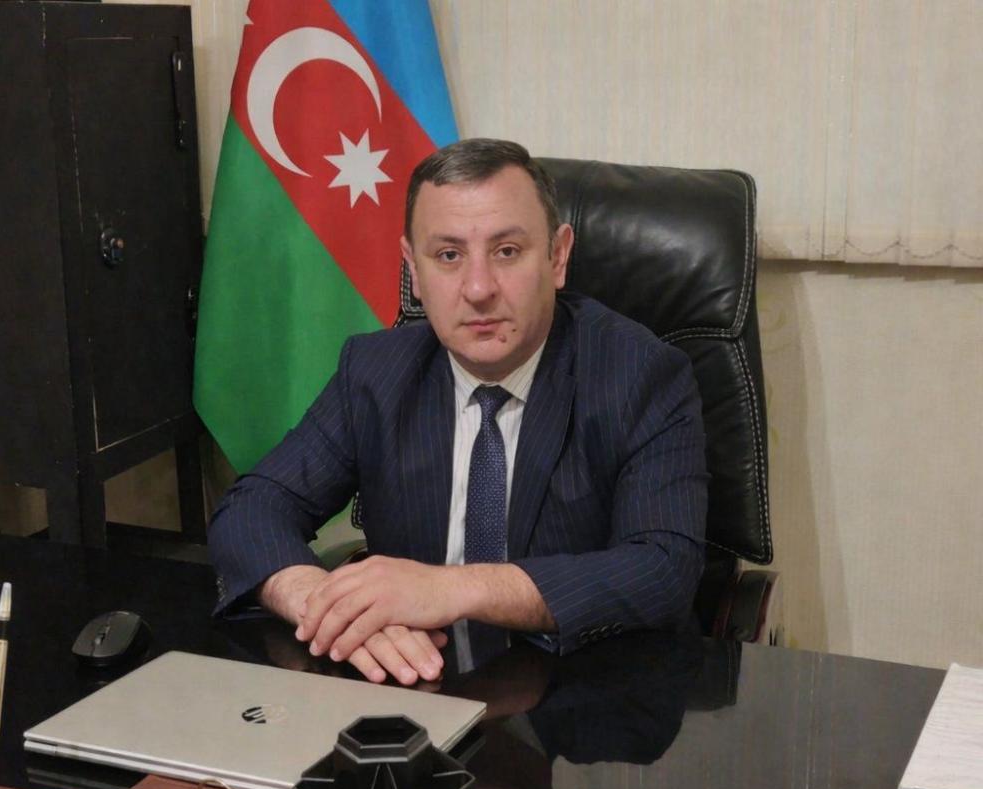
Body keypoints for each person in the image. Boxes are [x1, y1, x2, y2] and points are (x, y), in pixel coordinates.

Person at [208, 139, 708, 685]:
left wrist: (451, 588)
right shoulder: (376, 372)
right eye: (448, 256)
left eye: (507, 251)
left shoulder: (640, 376)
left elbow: (663, 568)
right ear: (414, 269)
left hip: (580, 694)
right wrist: (323, 603)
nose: (478, 289)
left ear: (558, 256)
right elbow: (253, 508)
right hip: (413, 688)